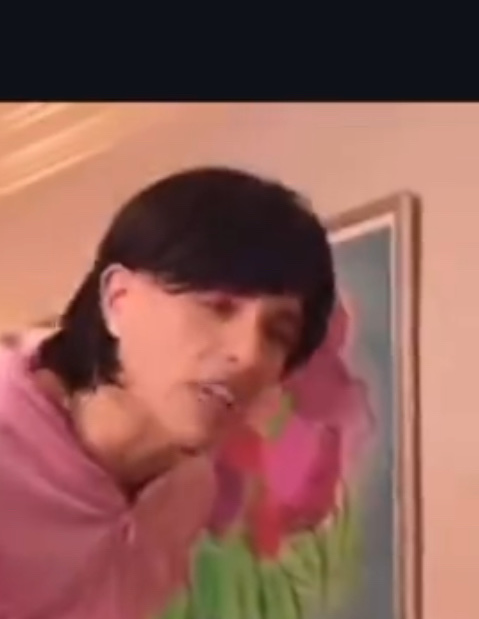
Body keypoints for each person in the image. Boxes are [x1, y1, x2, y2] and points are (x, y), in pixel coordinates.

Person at [0, 167, 335, 619]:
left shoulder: (187, 493)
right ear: (118, 300)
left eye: (277, 333)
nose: (250, 355)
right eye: (218, 306)